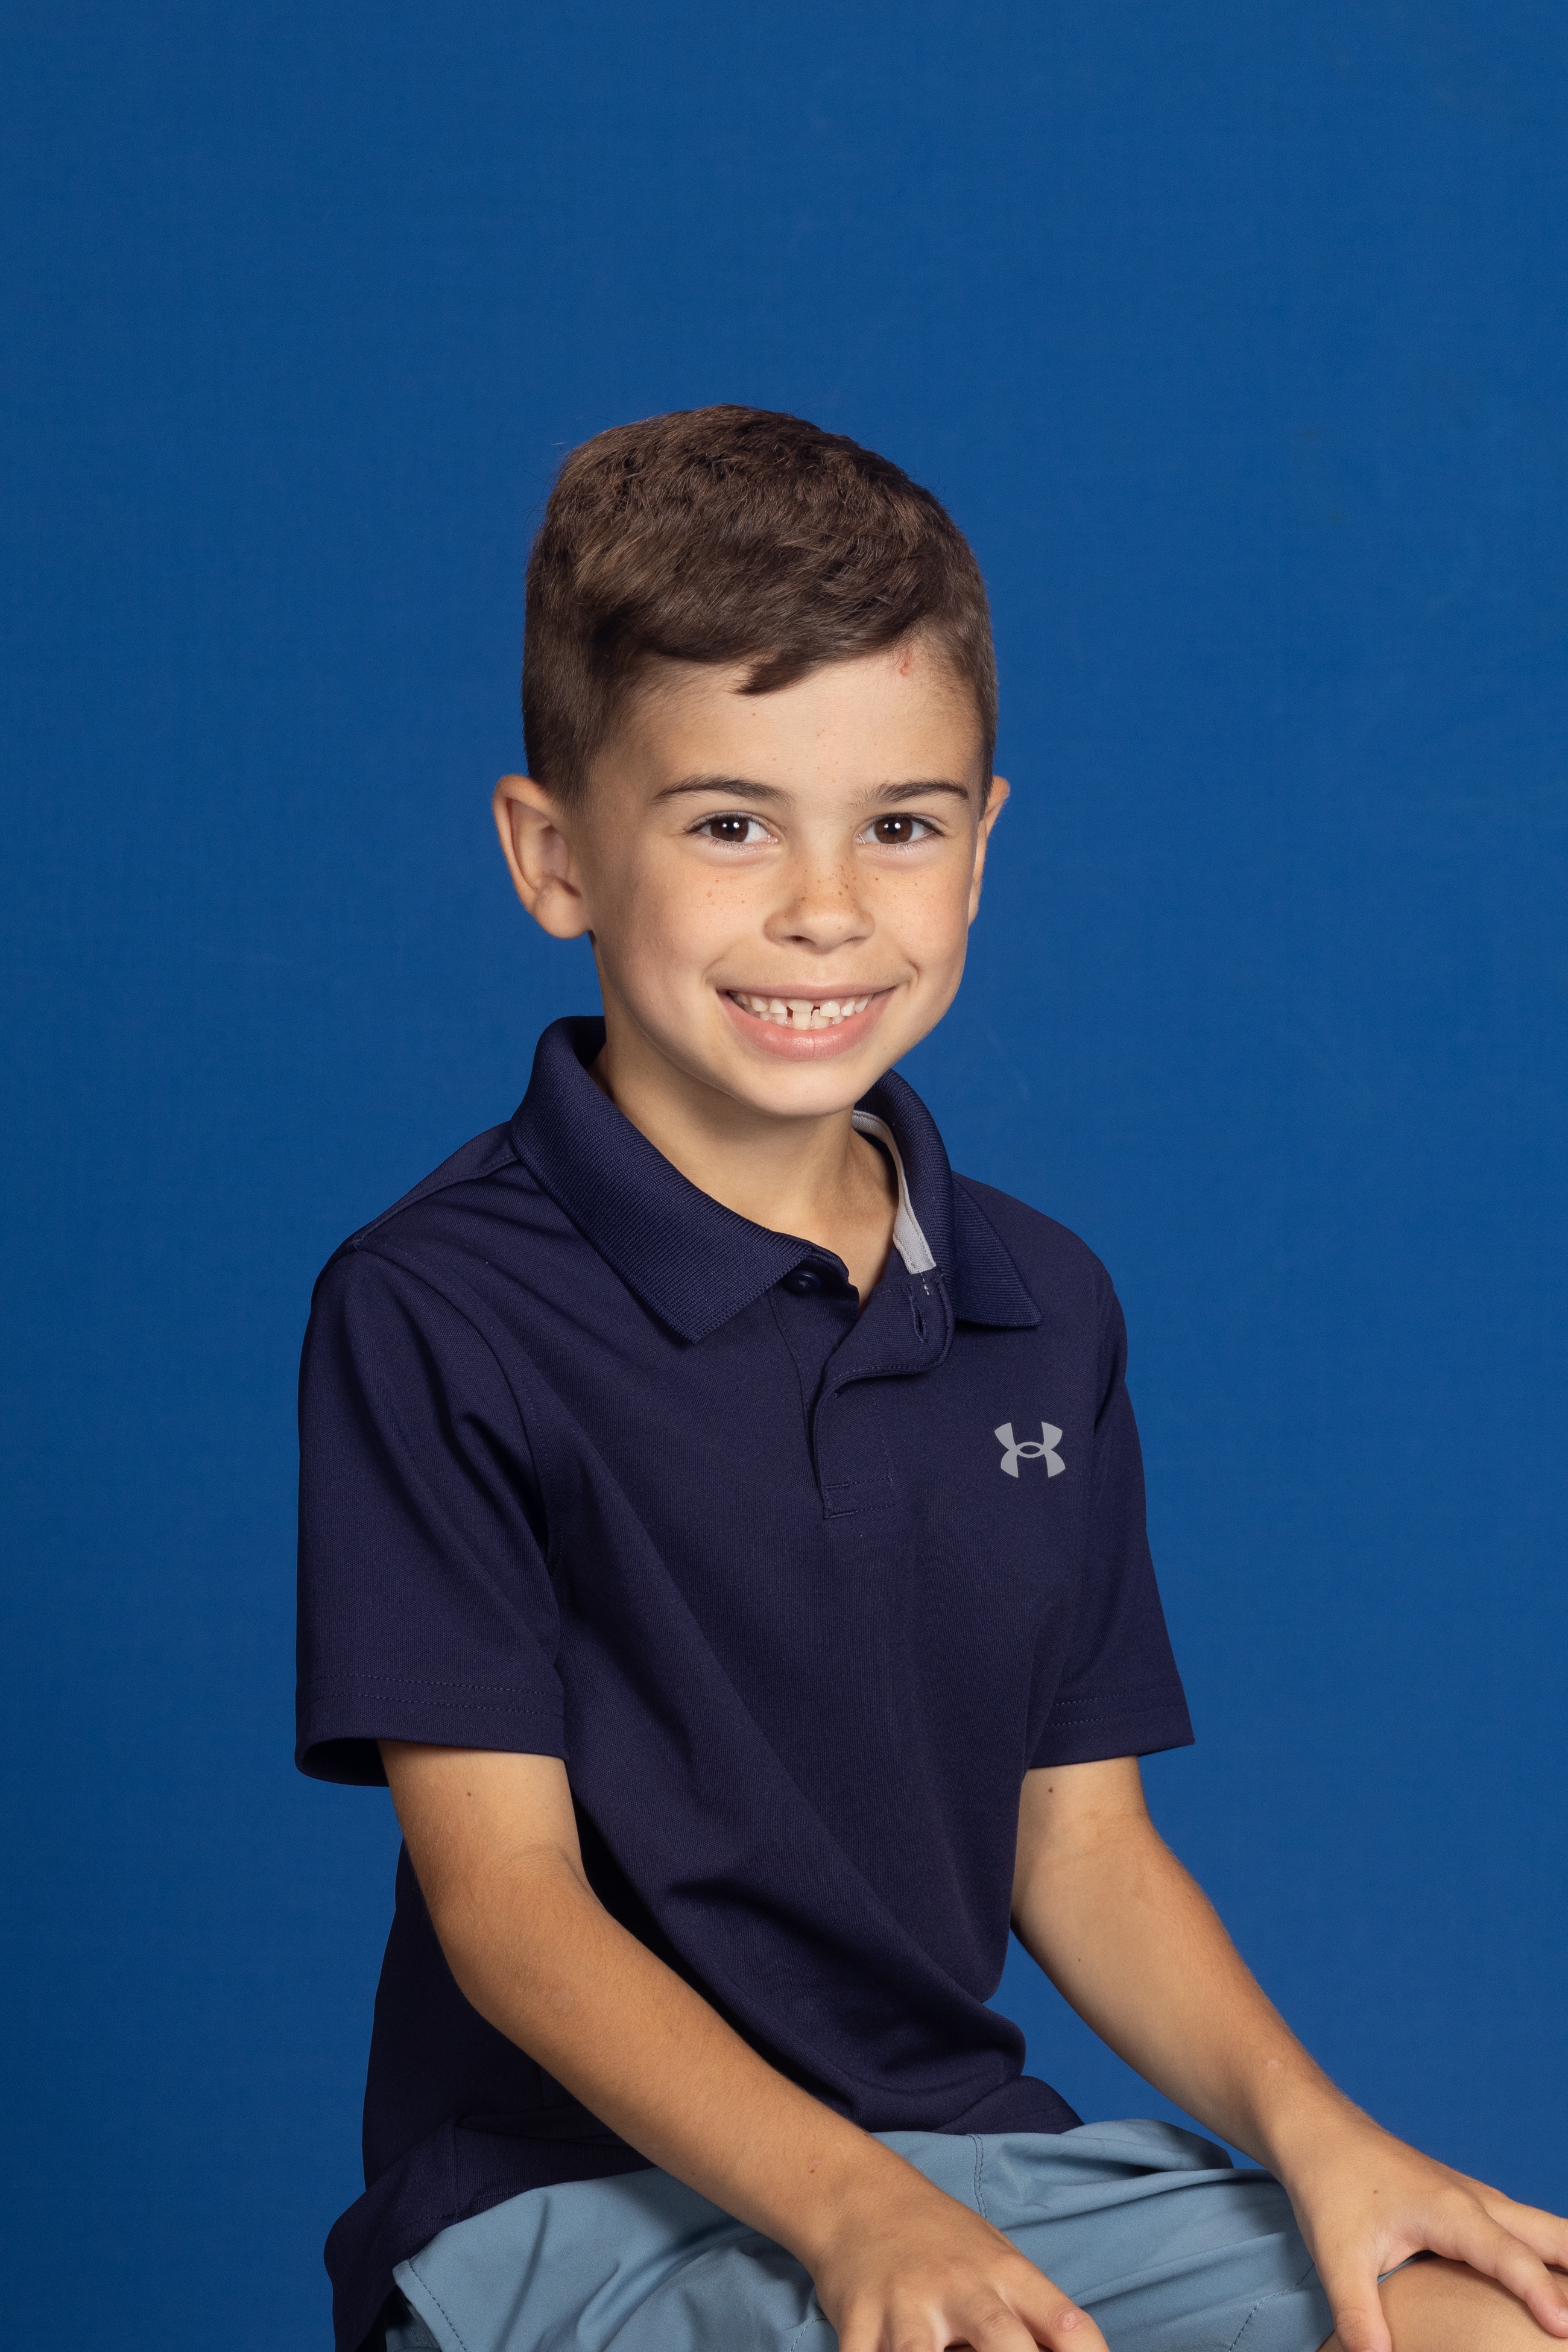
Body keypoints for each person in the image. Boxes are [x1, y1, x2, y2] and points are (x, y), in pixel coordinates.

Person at [295, 406, 1567, 2352]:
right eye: (730, 822)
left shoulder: (1040, 1302)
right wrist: (854, 2216)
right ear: (555, 857)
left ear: (982, 843)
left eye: (899, 823)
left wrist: (1330, 2137)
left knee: (1489, 2323)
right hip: (567, 2212)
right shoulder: (437, 1306)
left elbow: (1083, 1845)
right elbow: (511, 1910)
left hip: (965, 2158)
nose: (827, 905)